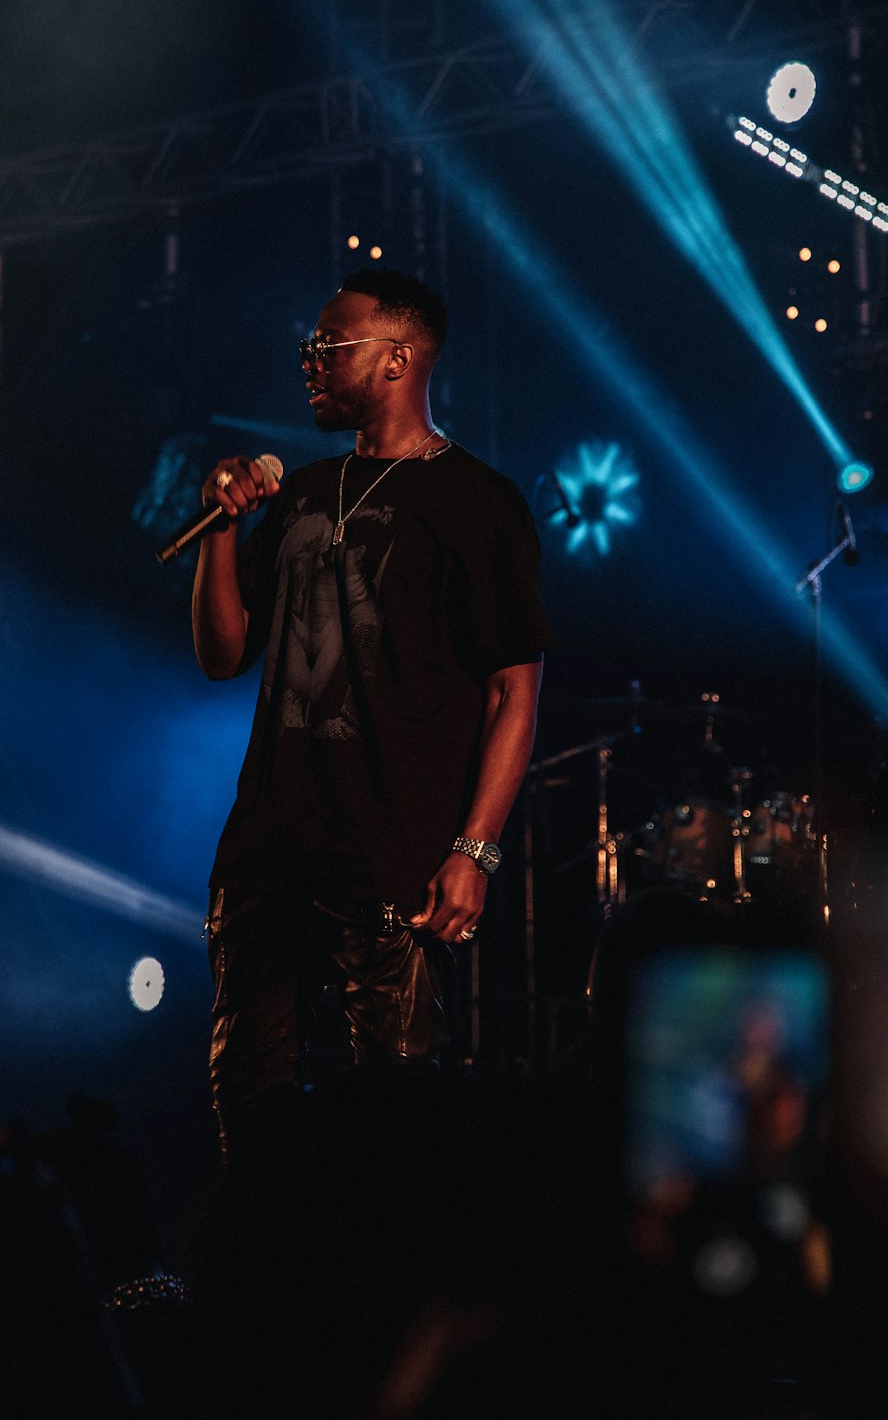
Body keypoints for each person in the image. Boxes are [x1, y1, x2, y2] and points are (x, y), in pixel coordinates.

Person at [192, 268, 555, 1163]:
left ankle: (381, 1297)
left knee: (392, 1119)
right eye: (310, 348)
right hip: (268, 851)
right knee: (248, 1104)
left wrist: (475, 850)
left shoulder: (479, 501)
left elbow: (516, 691)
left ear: (397, 358)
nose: (310, 361)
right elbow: (223, 653)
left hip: (391, 854)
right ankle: (259, 1289)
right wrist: (220, 529)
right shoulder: (306, 492)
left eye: (331, 345)